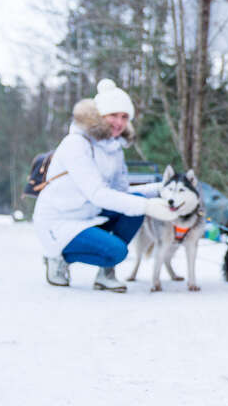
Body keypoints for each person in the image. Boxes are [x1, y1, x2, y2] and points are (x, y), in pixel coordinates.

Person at [33, 79, 179, 292]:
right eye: (113, 115)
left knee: (136, 204)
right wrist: (148, 207)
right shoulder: (76, 144)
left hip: (89, 214)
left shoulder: (114, 148)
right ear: (98, 115)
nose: (119, 123)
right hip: (60, 221)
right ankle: (56, 256)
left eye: (124, 117)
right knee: (118, 251)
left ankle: (104, 275)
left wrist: (159, 189)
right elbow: (97, 193)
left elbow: (121, 193)